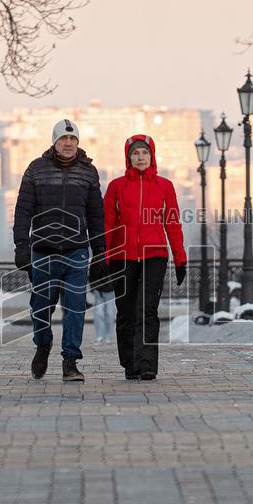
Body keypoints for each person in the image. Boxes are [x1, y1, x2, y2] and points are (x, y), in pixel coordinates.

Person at [13, 119, 108, 381]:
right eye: (63, 139)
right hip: (43, 251)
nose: (68, 143)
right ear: (54, 142)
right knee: (41, 307)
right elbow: (23, 210)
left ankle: (70, 361)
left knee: (75, 308)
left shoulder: (88, 172)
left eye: (72, 139)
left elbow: (95, 213)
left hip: (77, 251)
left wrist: (100, 250)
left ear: (78, 142)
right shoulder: (36, 169)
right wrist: (22, 246)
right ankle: (42, 345)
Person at [104, 134, 187, 381]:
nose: (140, 157)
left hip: (155, 254)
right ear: (128, 158)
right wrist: (103, 259)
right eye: (135, 153)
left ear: (152, 156)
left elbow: (173, 223)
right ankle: (130, 363)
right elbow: (108, 225)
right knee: (126, 311)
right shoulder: (116, 187)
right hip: (123, 256)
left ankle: (147, 364)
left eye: (145, 153)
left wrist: (180, 258)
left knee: (148, 309)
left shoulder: (165, 186)